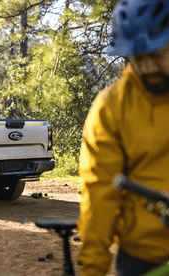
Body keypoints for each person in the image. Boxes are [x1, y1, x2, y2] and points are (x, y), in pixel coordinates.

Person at [78, 0, 169, 275]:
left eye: (156, 54)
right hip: (142, 258)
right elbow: (99, 191)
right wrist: (93, 267)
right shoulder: (111, 108)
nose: (148, 68)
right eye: (138, 58)